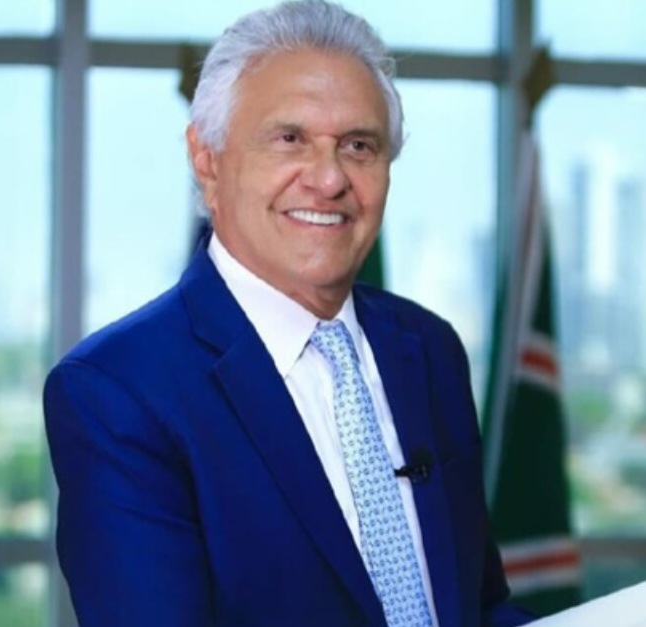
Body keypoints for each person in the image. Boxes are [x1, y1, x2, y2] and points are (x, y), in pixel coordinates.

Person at [44, 2, 535, 626]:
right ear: (207, 160)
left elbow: (475, 608)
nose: (329, 180)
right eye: (290, 139)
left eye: (359, 145)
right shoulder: (119, 393)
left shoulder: (428, 349)